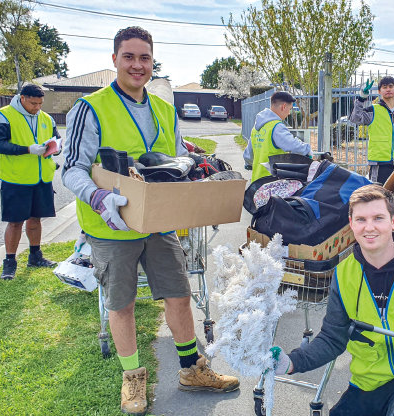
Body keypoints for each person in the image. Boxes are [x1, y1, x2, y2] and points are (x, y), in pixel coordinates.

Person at [62, 26, 239, 415]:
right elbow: (71, 168)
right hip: (110, 225)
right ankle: (132, 380)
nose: (137, 65)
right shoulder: (90, 108)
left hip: (159, 224)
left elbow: (177, 164)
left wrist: (199, 186)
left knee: (178, 293)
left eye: (144, 58)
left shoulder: (164, 110)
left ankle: (192, 369)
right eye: (129, 57)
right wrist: (97, 196)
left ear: (152, 61)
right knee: (122, 303)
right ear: (114, 61)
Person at [272, 184, 394, 416]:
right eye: (361, 219)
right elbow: (333, 339)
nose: (369, 227)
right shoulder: (344, 274)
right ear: (351, 224)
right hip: (370, 380)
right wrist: (292, 362)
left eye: (378, 218)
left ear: (393, 221)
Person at [0, 84, 61, 280]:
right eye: (33, 103)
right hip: (16, 179)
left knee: (36, 219)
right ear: (22, 98)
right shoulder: (3, 116)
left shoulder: (46, 118)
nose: (37, 107)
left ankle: (35, 256)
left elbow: (57, 139)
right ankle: (10, 262)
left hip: (41, 178)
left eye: (40, 103)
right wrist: (28, 149)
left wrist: (55, 148)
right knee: (15, 223)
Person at [349, 76, 394, 184]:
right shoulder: (373, 110)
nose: (388, 89)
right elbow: (355, 118)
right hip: (380, 162)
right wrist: (361, 98)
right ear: (379, 91)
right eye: (384, 87)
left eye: (391, 86)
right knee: (379, 194)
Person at [243, 91, 312, 182]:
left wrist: (249, 164)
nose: (288, 113)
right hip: (273, 182)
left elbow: (248, 155)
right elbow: (292, 145)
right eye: (290, 109)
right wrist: (307, 150)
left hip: (257, 182)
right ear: (283, 106)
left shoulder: (256, 128)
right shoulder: (277, 126)